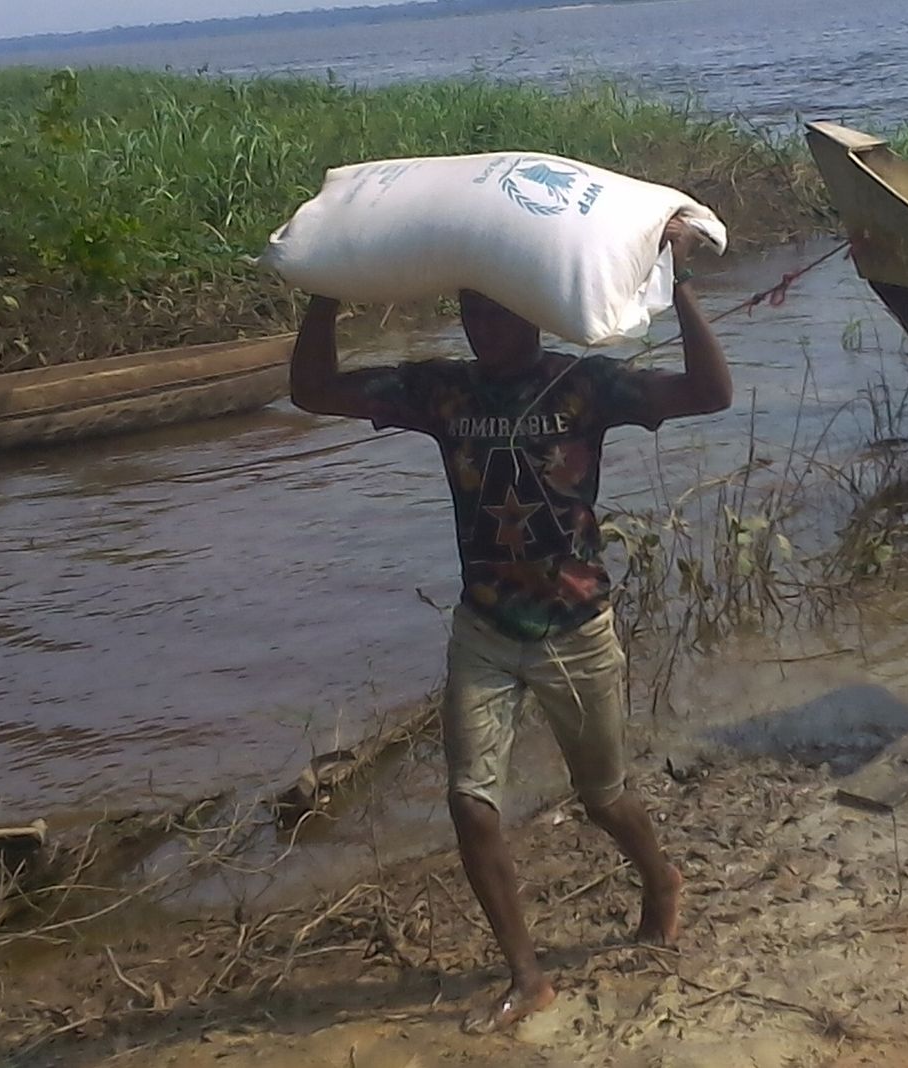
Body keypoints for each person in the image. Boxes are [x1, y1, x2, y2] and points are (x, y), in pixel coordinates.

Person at [288, 216, 732, 1034]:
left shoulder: (585, 387)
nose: (481, 329)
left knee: (603, 798)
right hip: (485, 628)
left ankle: (661, 878)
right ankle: (526, 976)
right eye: (470, 314)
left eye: (497, 314)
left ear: (532, 311)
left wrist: (682, 281)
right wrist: (326, 288)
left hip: (575, 626)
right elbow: (313, 391)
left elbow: (710, 394)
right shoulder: (441, 392)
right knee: (471, 803)